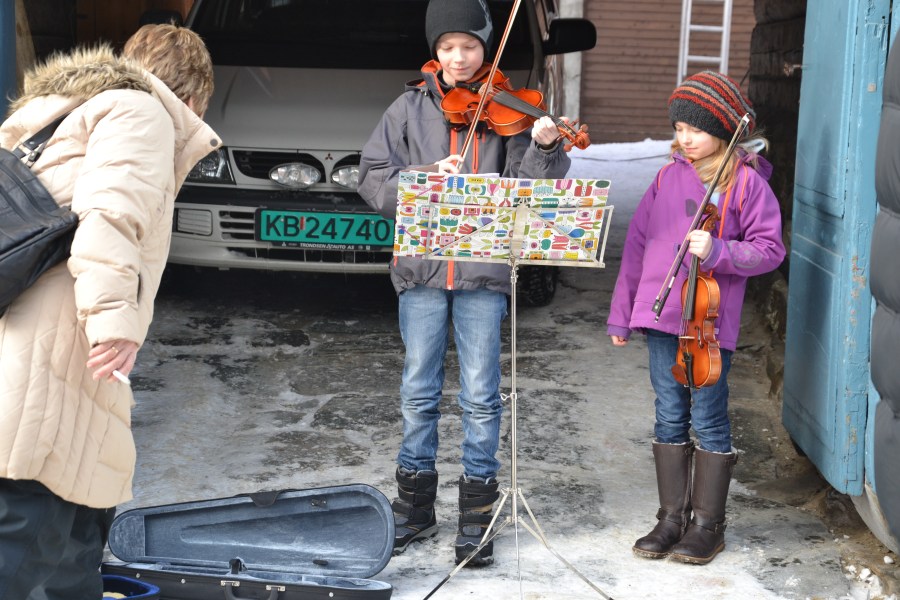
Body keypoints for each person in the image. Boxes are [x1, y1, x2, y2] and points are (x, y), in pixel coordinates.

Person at [0, 24, 220, 599]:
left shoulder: (65, 111)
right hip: (62, 338)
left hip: (37, 331)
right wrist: (114, 322)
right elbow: (110, 217)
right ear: (194, 95)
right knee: (31, 524)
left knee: (75, 531)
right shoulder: (142, 113)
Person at [357, 0, 572, 567]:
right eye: (448, 47)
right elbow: (373, 179)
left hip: (483, 275)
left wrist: (546, 147)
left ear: (486, 48)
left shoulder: (512, 109)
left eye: (470, 46)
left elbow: (534, 188)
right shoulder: (408, 108)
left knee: (480, 394)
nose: (459, 57)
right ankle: (414, 506)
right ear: (435, 50)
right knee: (418, 390)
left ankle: (477, 513)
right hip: (422, 272)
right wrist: (423, 178)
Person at [606, 71, 785, 565]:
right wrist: (623, 314)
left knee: (707, 416)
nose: (684, 138)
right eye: (679, 127)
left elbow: (770, 250)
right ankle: (671, 518)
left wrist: (721, 250)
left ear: (725, 131)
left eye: (696, 129)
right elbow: (637, 246)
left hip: (708, 322)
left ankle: (708, 525)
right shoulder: (668, 177)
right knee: (668, 412)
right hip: (662, 316)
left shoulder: (746, 183)